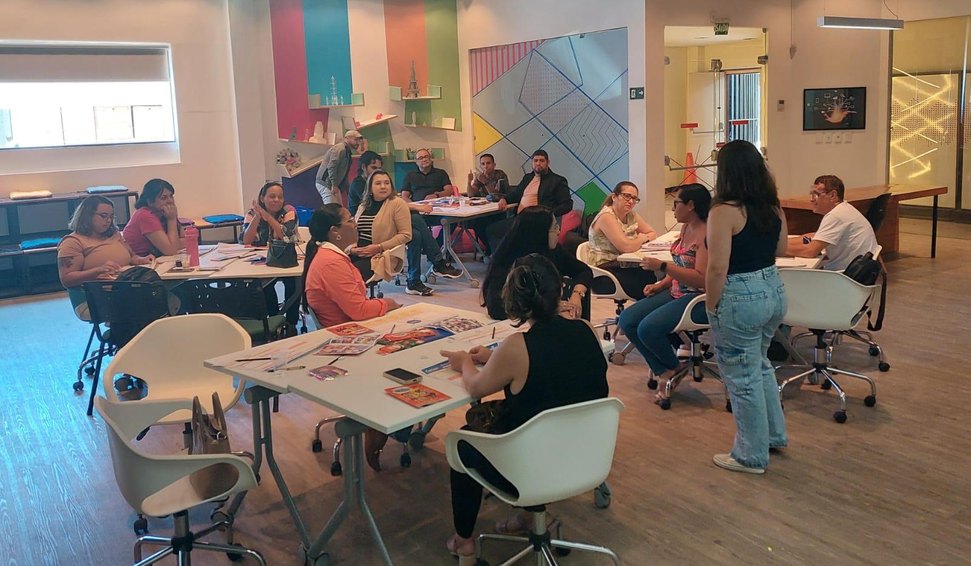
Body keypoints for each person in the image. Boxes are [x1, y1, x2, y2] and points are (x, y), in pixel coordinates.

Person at [440, 254, 608, 564]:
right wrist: (495, 358)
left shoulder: (518, 346)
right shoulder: (587, 329)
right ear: (558, 290)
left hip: (531, 467)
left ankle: (463, 542)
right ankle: (529, 518)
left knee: (462, 441)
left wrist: (464, 361)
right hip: (586, 456)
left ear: (514, 300)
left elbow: (475, 388)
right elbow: (556, 371)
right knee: (543, 411)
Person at [705, 140, 789, 475]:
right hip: (772, 288)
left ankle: (750, 455)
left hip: (740, 294)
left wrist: (712, 305)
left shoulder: (723, 211)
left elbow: (716, 268)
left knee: (742, 377)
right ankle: (772, 435)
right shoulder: (772, 206)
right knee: (760, 365)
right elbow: (781, 248)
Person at [300, 203, 402, 471]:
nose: (355, 223)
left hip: (350, 333)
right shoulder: (331, 263)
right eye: (349, 220)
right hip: (350, 341)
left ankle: (397, 422)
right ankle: (384, 423)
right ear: (335, 231)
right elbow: (359, 311)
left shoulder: (329, 256)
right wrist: (388, 303)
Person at [617, 184, 710, 402]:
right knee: (627, 319)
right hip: (677, 291)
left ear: (691, 205)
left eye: (677, 203)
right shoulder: (685, 228)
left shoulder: (707, 234)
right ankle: (668, 369)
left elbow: (701, 279)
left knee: (648, 328)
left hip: (697, 299)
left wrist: (663, 267)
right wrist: (662, 283)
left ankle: (669, 368)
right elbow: (682, 266)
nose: (673, 208)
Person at [481, 206, 592, 321]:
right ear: (540, 233)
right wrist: (548, 307)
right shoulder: (507, 258)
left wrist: (577, 294)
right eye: (554, 228)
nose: (558, 232)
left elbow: (584, 271)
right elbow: (495, 308)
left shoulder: (553, 250)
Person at [58, 195, 154, 319]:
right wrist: (98, 270)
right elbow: (67, 279)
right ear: (87, 215)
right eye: (103, 216)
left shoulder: (114, 234)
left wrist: (142, 260)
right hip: (94, 298)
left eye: (111, 216)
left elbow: (132, 257)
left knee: (162, 293)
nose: (108, 220)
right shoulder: (73, 242)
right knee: (150, 302)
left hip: (125, 288)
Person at [487, 149, 573, 253]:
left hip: (537, 221)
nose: (538, 163)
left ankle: (503, 258)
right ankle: (506, 258)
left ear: (548, 162)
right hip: (520, 218)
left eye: (542, 161)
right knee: (490, 229)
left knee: (494, 231)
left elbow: (567, 204)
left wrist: (548, 214)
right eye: (535, 160)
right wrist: (504, 199)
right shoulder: (527, 178)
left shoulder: (557, 180)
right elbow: (516, 194)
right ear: (532, 163)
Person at [785, 174, 878, 270]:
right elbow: (813, 237)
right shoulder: (844, 209)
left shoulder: (836, 215)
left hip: (842, 276)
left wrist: (776, 248)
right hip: (855, 272)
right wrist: (782, 242)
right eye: (811, 194)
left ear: (833, 195)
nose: (812, 199)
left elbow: (810, 251)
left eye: (816, 195)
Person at [586, 181, 659, 299]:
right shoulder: (606, 217)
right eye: (627, 196)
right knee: (649, 282)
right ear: (614, 197)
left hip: (624, 265)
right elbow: (626, 247)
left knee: (655, 274)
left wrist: (638, 240)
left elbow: (652, 233)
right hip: (605, 272)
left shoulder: (631, 215)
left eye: (634, 198)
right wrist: (640, 239)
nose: (631, 201)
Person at [241, 181, 299, 325]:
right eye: (272, 196)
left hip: (284, 257)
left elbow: (285, 236)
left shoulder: (288, 211)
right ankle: (274, 320)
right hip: (261, 261)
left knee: (292, 282)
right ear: (262, 198)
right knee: (263, 284)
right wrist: (258, 217)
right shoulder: (252, 213)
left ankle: (291, 323)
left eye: (280, 197)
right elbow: (246, 240)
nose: (277, 200)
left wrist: (268, 217)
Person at [350, 170, 413, 286]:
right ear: (370, 187)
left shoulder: (397, 203)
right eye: (378, 183)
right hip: (358, 252)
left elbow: (406, 235)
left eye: (387, 183)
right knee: (333, 269)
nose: (383, 186)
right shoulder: (363, 205)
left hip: (381, 255)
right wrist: (352, 249)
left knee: (350, 276)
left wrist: (379, 247)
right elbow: (354, 232)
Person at [122, 178, 183, 257]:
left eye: (171, 196)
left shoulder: (164, 213)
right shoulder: (144, 215)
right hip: (138, 260)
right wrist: (171, 220)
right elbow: (171, 250)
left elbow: (187, 240)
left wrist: (175, 243)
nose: (170, 201)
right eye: (164, 198)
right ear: (150, 202)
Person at [466, 153, 510, 255]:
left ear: (494, 165)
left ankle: (494, 251)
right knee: (476, 224)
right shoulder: (480, 176)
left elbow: (497, 195)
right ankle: (489, 248)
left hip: (498, 210)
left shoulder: (500, 175)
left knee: (490, 226)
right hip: (483, 210)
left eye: (488, 163)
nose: (486, 166)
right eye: (483, 164)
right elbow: (471, 194)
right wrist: (469, 182)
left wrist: (485, 182)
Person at [315, 129, 367, 205]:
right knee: (332, 209)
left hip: (332, 184)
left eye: (359, 140)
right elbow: (332, 167)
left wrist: (347, 189)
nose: (357, 142)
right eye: (355, 139)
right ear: (347, 138)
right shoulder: (340, 149)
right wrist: (334, 185)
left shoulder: (347, 152)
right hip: (326, 183)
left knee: (339, 209)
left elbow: (344, 173)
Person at [348, 150, 384, 216]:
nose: (377, 171)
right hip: (360, 219)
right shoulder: (358, 184)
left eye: (379, 168)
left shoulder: (373, 182)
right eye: (374, 168)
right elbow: (372, 204)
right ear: (363, 167)